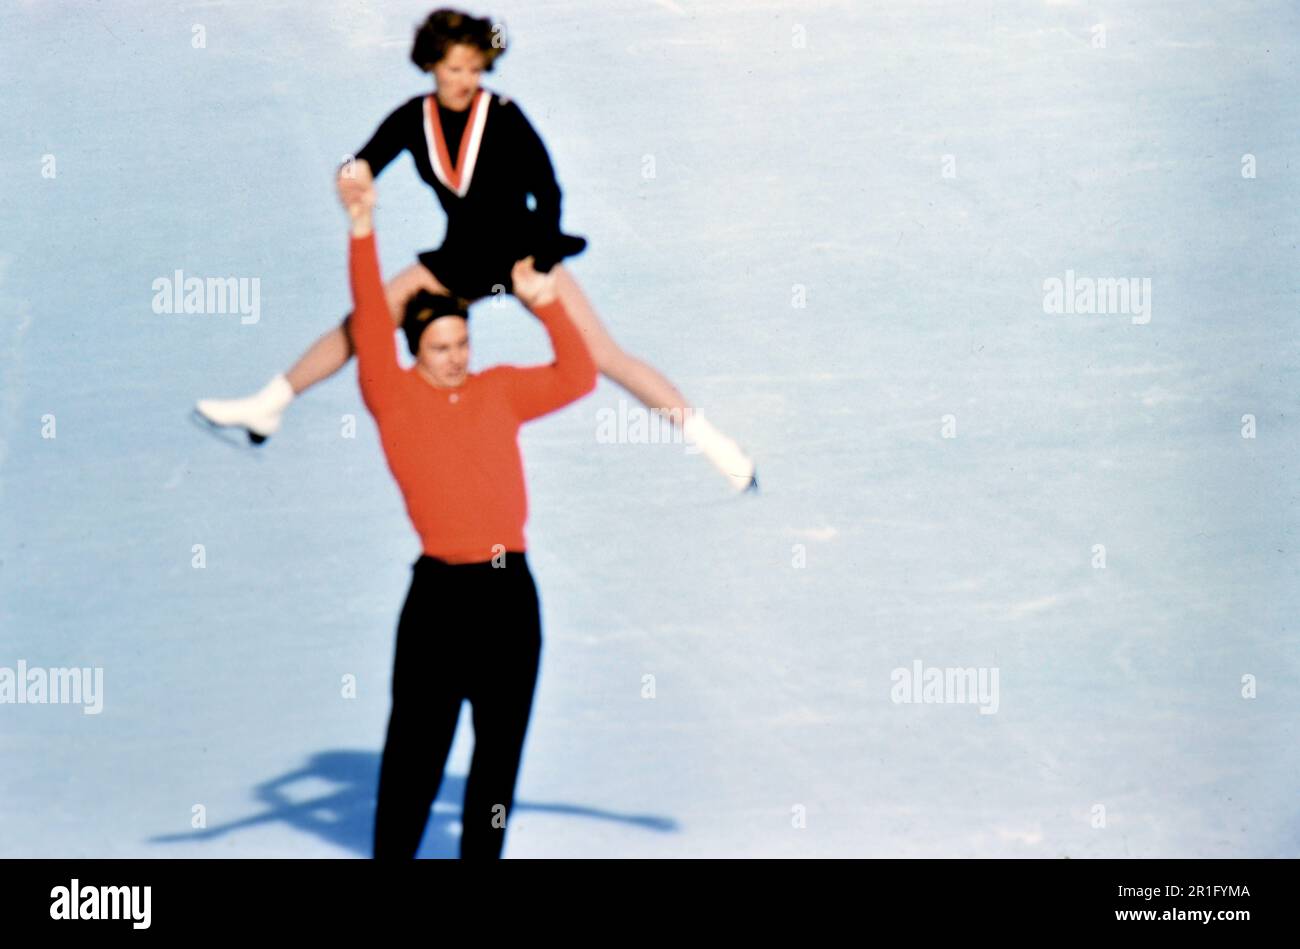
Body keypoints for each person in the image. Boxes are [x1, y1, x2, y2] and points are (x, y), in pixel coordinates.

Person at [195, 7, 756, 491]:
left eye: (473, 68)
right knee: (363, 324)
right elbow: (361, 158)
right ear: (431, 64)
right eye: (452, 67)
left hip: (522, 253)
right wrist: (353, 175)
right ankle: (270, 402)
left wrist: (538, 265)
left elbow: (549, 189)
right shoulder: (414, 118)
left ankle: (717, 447)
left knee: (604, 357)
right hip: (459, 259)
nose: (463, 79)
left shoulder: (505, 115)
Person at [341, 171, 595, 858]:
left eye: (462, 344)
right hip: (439, 601)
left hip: (510, 597)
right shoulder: (392, 400)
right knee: (414, 761)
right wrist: (362, 229)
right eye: (439, 347)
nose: (455, 359)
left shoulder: (500, 392)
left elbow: (578, 375)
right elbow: (368, 317)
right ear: (413, 348)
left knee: (496, 768)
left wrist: (546, 304)